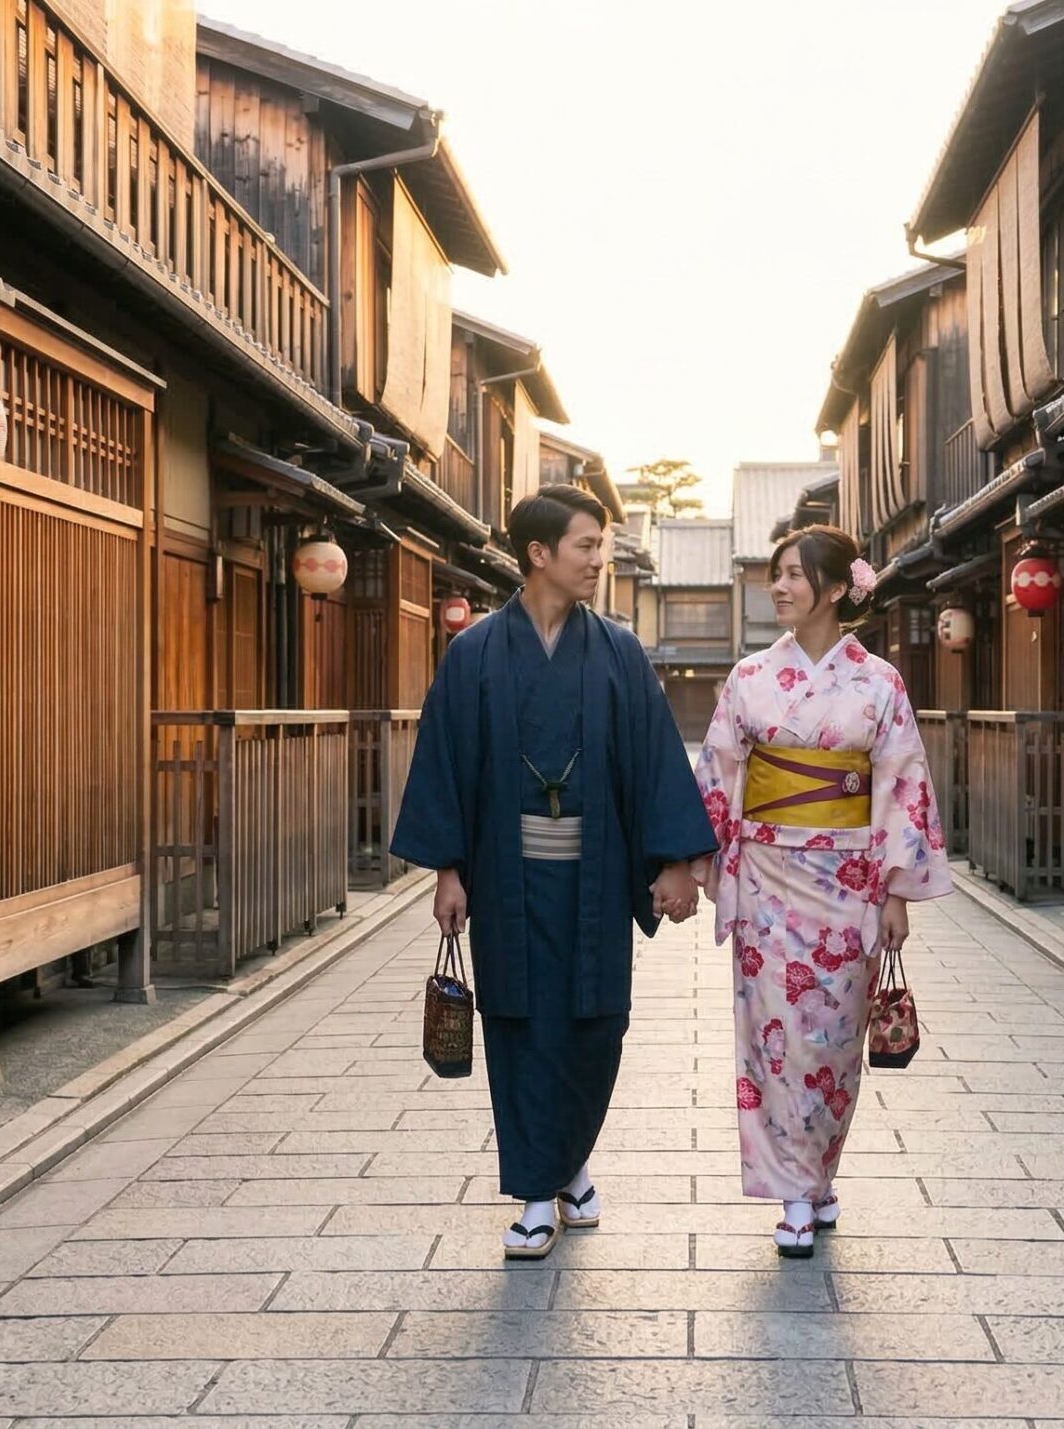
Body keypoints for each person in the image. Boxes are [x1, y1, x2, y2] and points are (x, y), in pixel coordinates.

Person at [391, 485, 717, 1261]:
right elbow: (448, 767)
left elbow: (652, 761)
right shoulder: (472, 654)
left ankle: (567, 1162)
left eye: (601, 546)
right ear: (539, 554)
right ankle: (537, 1192)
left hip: (596, 877)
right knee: (517, 1026)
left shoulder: (620, 651)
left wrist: (675, 860)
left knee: (596, 1024)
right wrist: (448, 871)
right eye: (586, 546)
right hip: (507, 878)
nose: (599, 560)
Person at [693, 524, 951, 1258]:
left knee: (833, 1039)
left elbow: (900, 781)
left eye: (794, 575)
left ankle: (817, 1171)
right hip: (769, 881)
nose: (779, 586)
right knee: (774, 1040)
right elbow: (720, 773)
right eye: (774, 573)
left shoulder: (879, 682)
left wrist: (896, 890)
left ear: (837, 588)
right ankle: (795, 1192)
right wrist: (694, 865)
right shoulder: (749, 679)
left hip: (848, 881)